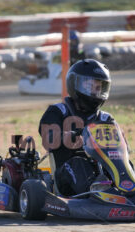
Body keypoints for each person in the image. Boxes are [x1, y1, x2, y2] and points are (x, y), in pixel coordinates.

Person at [39, 59, 113, 196]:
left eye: (98, 88)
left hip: (102, 168)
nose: (95, 93)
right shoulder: (58, 111)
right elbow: (48, 138)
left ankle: (132, 186)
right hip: (66, 173)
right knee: (78, 164)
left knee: (124, 167)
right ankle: (96, 193)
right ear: (75, 84)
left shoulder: (105, 118)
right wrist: (67, 136)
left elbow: (118, 145)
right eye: (90, 86)